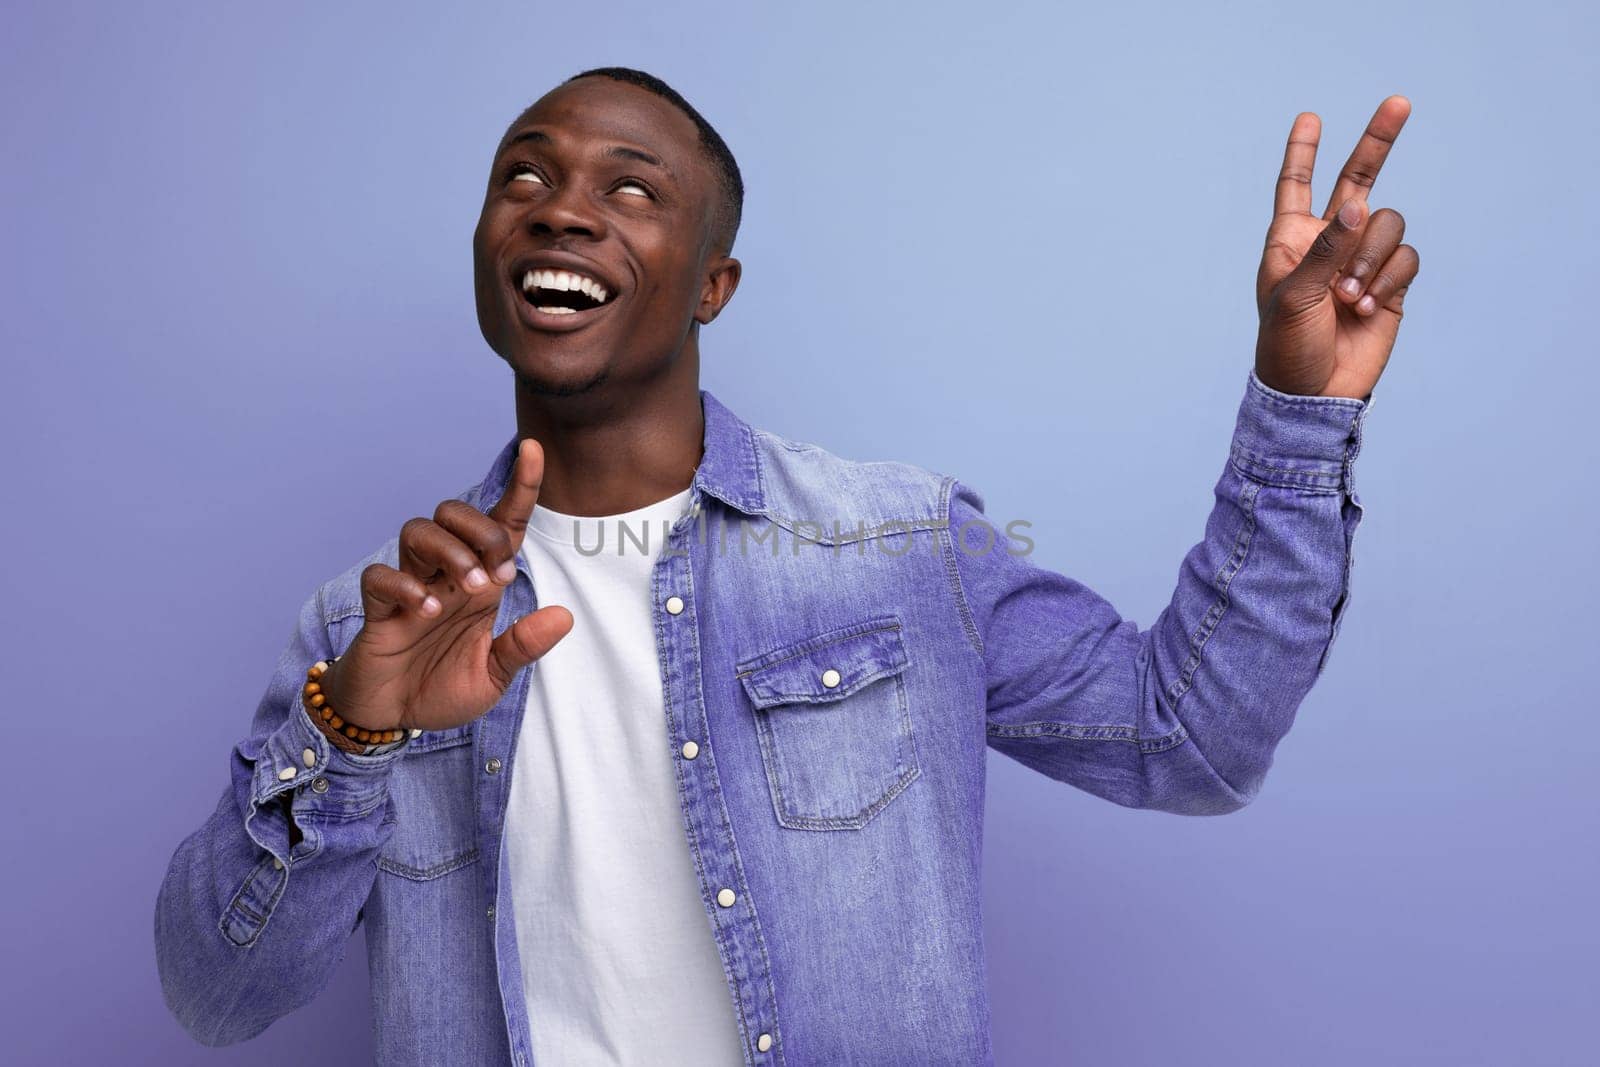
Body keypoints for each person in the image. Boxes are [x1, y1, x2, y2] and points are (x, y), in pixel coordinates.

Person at [154, 66, 1420, 1066]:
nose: (559, 205)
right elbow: (216, 996)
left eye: (631, 188)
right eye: (522, 176)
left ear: (715, 283)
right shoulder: (369, 626)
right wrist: (351, 733)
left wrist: (1293, 415)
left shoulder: (898, 548)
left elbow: (1189, 741)